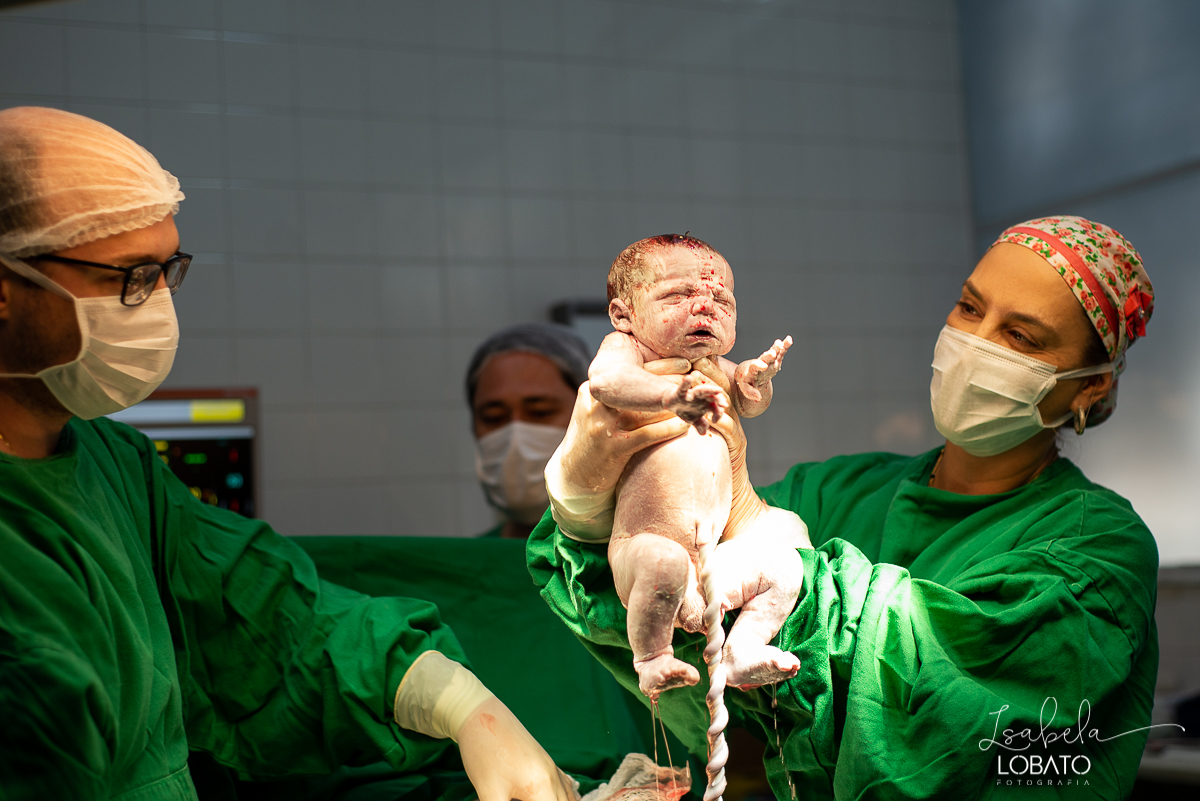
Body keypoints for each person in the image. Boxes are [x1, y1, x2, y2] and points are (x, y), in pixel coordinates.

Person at [0, 106, 576, 801]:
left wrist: (457, 701)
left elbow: (264, 609)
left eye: (167, 268)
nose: (156, 302)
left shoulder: (115, 465)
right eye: (129, 276)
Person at [528, 216, 1159, 798]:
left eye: (1021, 335)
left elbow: (946, 721)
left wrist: (769, 557)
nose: (976, 341)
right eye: (969, 307)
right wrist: (589, 516)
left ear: (1092, 382)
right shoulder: (835, 492)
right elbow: (649, 625)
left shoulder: (1096, 548)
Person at [572, 233, 806, 699]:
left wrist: (756, 381)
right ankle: (653, 658)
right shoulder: (629, 351)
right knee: (663, 563)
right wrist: (669, 394)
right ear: (624, 315)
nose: (705, 307)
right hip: (645, 545)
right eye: (678, 295)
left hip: (719, 554)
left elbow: (750, 405)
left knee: (784, 565)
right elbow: (608, 382)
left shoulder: (716, 365)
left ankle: (743, 649)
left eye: (721, 297)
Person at [467, 322, 590, 539]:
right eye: (493, 417)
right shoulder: (464, 563)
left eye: (540, 412)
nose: (516, 437)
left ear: (591, 413)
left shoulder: (631, 559)